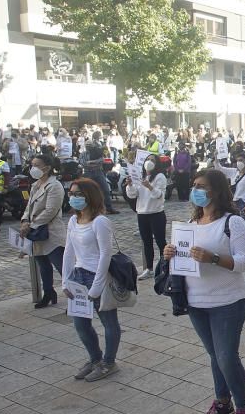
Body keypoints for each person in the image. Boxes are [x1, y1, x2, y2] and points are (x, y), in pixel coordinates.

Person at [162, 169, 245, 414]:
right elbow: (184, 258)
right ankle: (222, 402)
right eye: (194, 186)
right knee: (215, 355)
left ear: (216, 190)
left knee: (227, 356)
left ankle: (243, 408)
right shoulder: (191, 222)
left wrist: (213, 258)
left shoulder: (233, 222)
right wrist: (170, 253)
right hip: (195, 301)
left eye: (201, 186)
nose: (195, 190)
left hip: (228, 300)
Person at [61, 178, 122, 382]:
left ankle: (108, 362)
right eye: (71, 193)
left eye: (78, 194)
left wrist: (96, 286)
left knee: (108, 322)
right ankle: (94, 358)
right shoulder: (73, 221)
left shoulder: (100, 222)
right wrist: (65, 280)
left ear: (90, 196)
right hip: (78, 276)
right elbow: (69, 252)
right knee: (81, 324)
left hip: (98, 276)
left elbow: (105, 254)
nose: (73, 197)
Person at [21, 154, 66, 307]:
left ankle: (77, 298)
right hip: (36, 233)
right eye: (32, 164)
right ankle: (48, 292)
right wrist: (25, 220)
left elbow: (50, 210)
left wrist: (31, 225)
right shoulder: (36, 185)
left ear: (46, 167)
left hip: (51, 232)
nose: (33, 168)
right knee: (43, 265)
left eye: (36, 165)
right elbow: (29, 206)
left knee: (62, 267)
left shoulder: (55, 186)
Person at [125, 154, 167, 280]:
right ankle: (149, 268)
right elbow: (133, 195)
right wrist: (130, 185)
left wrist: (149, 186)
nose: (149, 162)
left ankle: (165, 267)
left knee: (161, 242)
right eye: (147, 160)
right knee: (146, 242)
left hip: (156, 213)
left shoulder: (160, 177)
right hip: (142, 214)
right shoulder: (141, 176)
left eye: (152, 160)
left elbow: (159, 195)